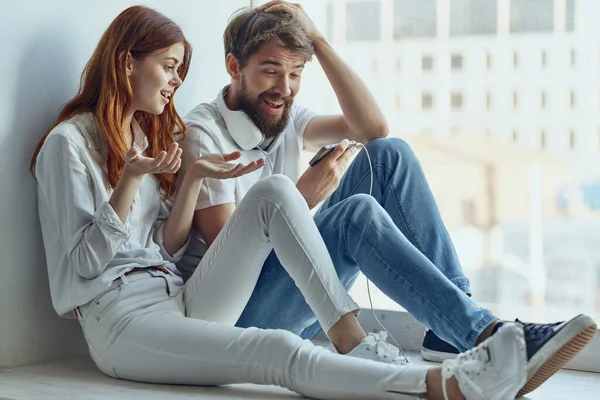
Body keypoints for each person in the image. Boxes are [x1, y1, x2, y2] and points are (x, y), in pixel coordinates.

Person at [30, 5, 531, 400]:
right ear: (126, 62)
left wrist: (186, 185)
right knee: (276, 350)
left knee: (298, 183)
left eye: (180, 70)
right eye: (168, 67)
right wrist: (130, 184)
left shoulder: (147, 135)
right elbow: (76, 275)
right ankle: (435, 381)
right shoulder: (68, 145)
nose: (176, 82)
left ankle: (444, 327)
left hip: (178, 296)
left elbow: (165, 250)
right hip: (121, 319)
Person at [177, 1, 597, 397]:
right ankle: (487, 336)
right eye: (271, 71)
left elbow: (372, 126)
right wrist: (302, 201)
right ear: (234, 66)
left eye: (296, 73)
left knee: (388, 153)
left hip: (290, 295)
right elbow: (228, 261)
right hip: (241, 322)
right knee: (354, 215)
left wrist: (319, 41)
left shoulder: (281, 117)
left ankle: (455, 328)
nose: (284, 88)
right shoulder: (204, 132)